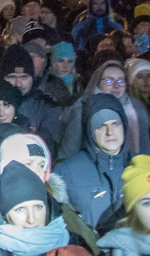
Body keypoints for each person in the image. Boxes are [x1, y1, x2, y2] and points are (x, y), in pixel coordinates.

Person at [55, 94, 130, 230]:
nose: (110, 132)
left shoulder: (141, 166)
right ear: (90, 131)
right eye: (101, 126)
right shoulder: (66, 172)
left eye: (115, 124)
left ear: (124, 125)